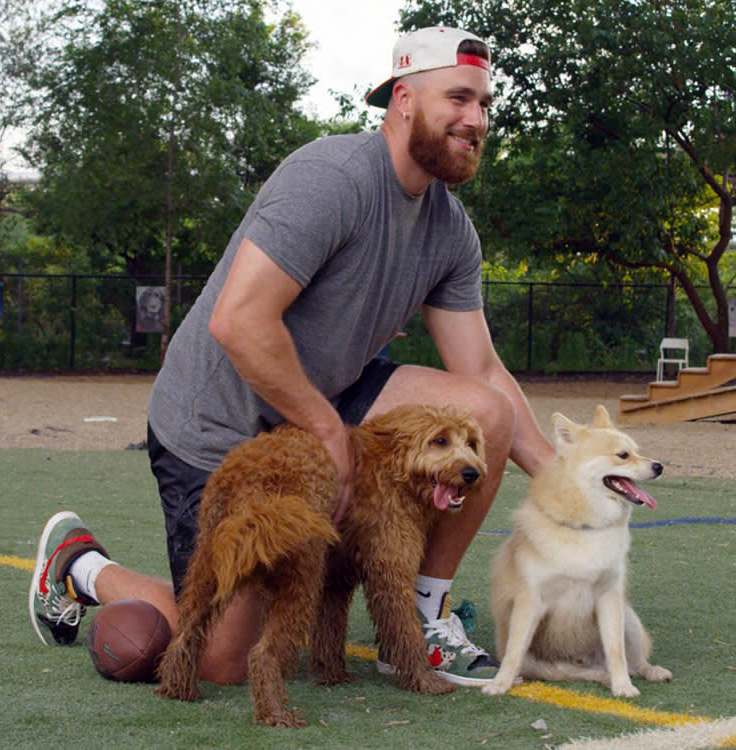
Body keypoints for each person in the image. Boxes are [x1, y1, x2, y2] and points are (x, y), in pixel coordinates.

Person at [29, 26, 554, 687]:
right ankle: (81, 567)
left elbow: (480, 370)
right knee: (223, 663)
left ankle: (419, 618)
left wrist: (566, 480)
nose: (476, 119)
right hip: (217, 425)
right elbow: (240, 322)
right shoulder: (330, 178)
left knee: (487, 412)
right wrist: (328, 433)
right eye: (459, 98)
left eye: (484, 104)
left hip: (322, 398)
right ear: (403, 100)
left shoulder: (452, 230)